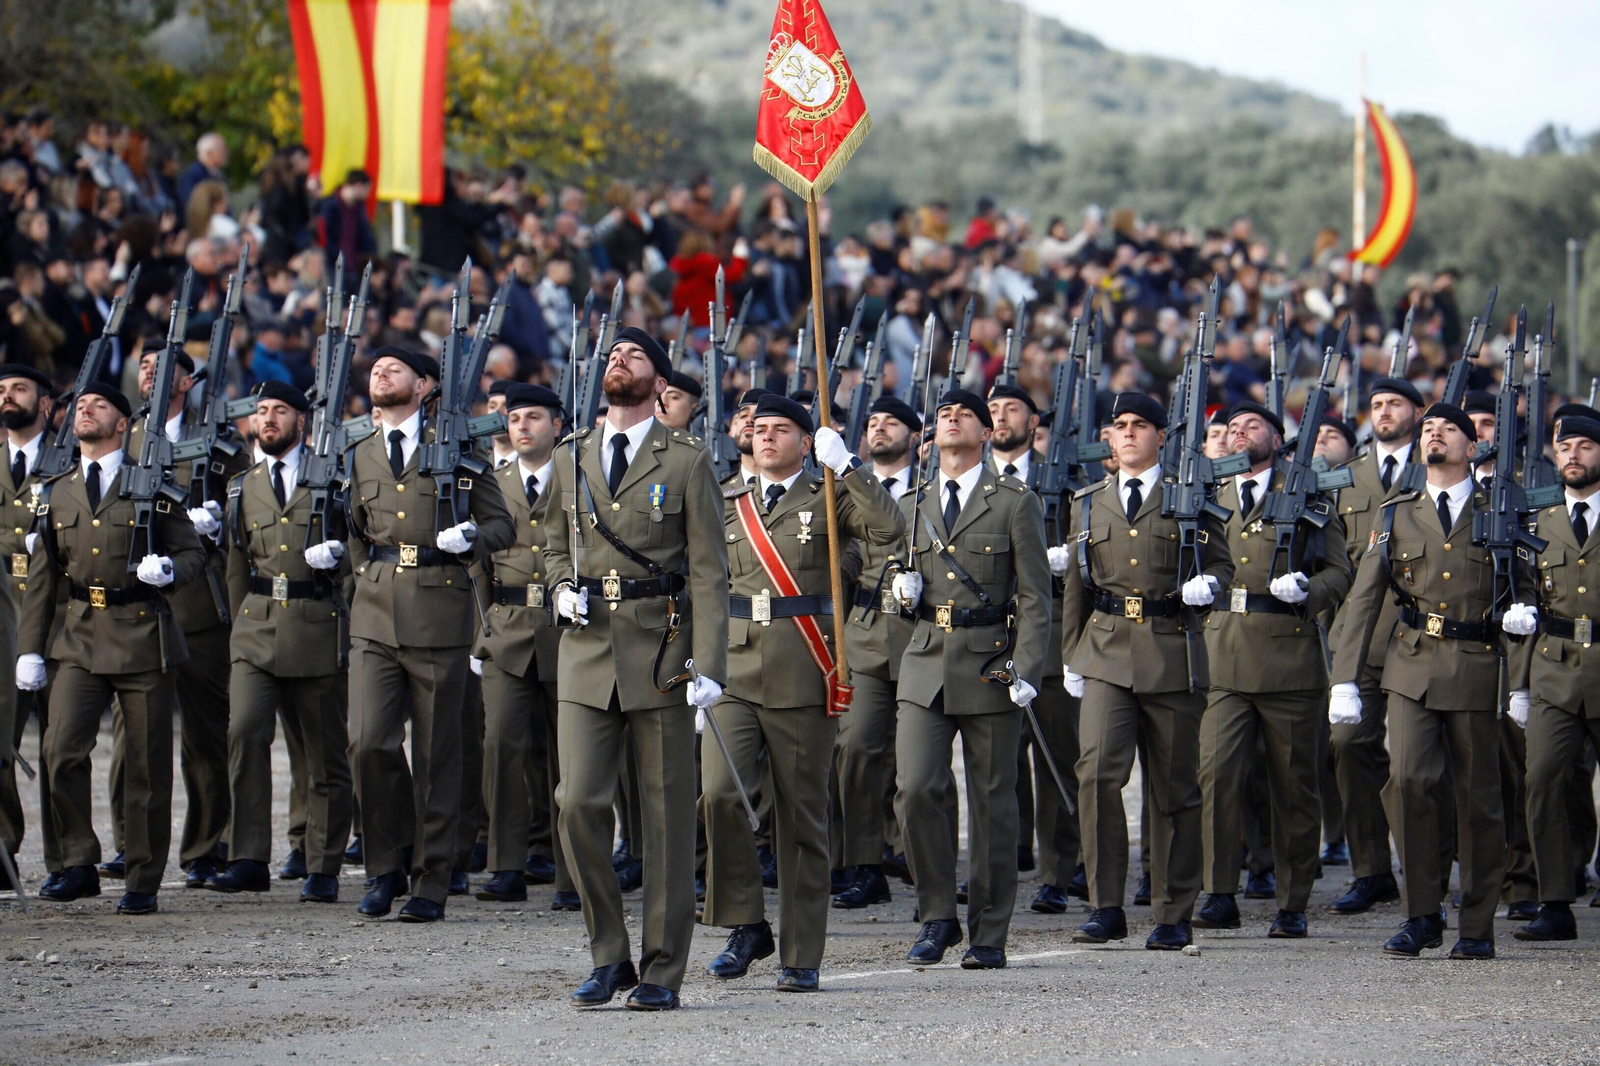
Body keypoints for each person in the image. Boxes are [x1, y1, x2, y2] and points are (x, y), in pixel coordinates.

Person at [542, 326, 729, 1011]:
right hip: (587, 649)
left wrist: (710, 665)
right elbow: (552, 542)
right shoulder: (571, 454)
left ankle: (662, 969)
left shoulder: (686, 459)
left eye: (635, 355)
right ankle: (608, 954)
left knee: (667, 819)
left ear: (659, 383)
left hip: (662, 652)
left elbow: (709, 571)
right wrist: (559, 585)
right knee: (577, 803)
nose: (619, 360)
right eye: (613, 354)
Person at [701, 393, 902, 992]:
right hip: (734, 666)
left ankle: (801, 950)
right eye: (758, 427)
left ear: (806, 441)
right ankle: (745, 923)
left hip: (803, 667)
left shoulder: (829, 493)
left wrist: (849, 466)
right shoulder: (727, 498)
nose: (765, 436)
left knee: (801, 818)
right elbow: (700, 579)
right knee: (719, 795)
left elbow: (889, 529)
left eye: (781, 429)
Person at [1329, 402, 1529, 959]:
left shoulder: (1499, 512)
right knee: (1410, 782)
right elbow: (1365, 597)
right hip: (1412, 666)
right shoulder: (1397, 512)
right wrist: (1345, 679)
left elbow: (1528, 590)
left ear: (1472, 447)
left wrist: (1522, 672)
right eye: (1429, 430)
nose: (1435, 435)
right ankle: (1422, 914)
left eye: (1449, 429)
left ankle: (1477, 926)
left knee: (1478, 800)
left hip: (1478, 667)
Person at [343, 345, 515, 921]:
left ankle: (431, 878)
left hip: (440, 612)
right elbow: (352, 528)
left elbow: (502, 525)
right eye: (376, 368)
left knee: (438, 755)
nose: (381, 373)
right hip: (374, 613)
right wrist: (364, 574)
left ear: (423, 386)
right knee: (368, 742)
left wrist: (471, 538)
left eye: (395, 368)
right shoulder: (361, 451)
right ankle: (384, 866)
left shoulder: (457, 453)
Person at [22, 383, 206, 914]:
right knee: (60, 751)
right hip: (80, 635)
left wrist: (167, 570)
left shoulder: (152, 487)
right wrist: (30, 648)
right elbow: (44, 579)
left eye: (99, 405)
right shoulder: (57, 492)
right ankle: (77, 861)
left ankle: (142, 877)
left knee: (145, 766)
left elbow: (192, 554)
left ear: (123, 424)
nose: (85, 409)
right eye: (81, 405)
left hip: (142, 634)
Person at [1061, 392, 1234, 950]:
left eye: (1140, 424)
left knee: (1175, 788)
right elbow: (1078, 584)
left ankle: (1172, 909)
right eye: (1121, 425)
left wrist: (1210, 585)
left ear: (1161, 436)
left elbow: (1222, 564)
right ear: (1110, 438)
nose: (1129, 432)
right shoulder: (1089, 503)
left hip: (1170, 650)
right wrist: (1070, 655)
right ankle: (1105, 905)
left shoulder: (1190, 498)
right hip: (1106, 650)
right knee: (1096, 775)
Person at [889, 388, 1050, 968]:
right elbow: (894, 578)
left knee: (992, 804)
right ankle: (937, 914)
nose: (951, 418)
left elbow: (1035, 597)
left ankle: (988, 931)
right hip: (926, 662)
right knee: (915, 789)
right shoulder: (913, 503)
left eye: (965, 414)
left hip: (990, 665)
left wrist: (1026, 666)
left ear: (986, 433)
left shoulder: (1014, 502)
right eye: (943, 414)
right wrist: (899, 591)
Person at [1194, 401, 1352, 938]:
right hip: (1222, 655)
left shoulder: (1308, 497)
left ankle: (1292, 902)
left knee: (1293, 787)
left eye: (1252, 426)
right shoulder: (1211, 495)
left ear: (1277, 439)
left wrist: (1310, 589)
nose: (1239, 433)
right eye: (1233, 427)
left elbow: (1340, 571)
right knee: (1216, 778)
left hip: (1289, 658)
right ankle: (1219, 892)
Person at [207, 382, 352, 901]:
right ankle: (248, 857)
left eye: (280, 411)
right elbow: (236, 562)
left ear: (301, 421)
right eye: (261, 411)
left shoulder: (332, 477)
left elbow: (360, 548)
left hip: (317, 625)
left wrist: (340, 560)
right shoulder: (242, 486)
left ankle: (323, 863)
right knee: (244, 731)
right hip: (257, 626)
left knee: (323, 752)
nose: (268, 419)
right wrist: (239, 625)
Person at [123, 346, 252, 889]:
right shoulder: (125, 436)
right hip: (132, 599)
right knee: (131, 737)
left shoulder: (219, 440)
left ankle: (206, 843)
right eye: (144, 366)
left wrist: (220, 519)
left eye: (162, 368)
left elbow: (254, 505)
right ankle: (131, 845)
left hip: (199, 599)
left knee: (204, 732)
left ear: (186, 381)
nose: (149, 374)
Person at [1324, 376, 1433, 914]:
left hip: (1422, 635)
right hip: (1359, 633)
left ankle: (1431, 865)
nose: (1384, 412)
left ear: (1419, 412)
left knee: (1425, 760)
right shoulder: (1345, 477)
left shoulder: (1438, 467)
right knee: (1348, 743)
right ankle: (1371, 869)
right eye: (1376, 405)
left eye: (1394, 403)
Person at [472, 383, 573, 907]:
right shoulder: (492, 482)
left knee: (569, 757)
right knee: (501, 747)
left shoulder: (578, 478)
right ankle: (506, 865)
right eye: (514, 419)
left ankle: (572, 872)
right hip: (507, 629)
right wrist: (481, 630)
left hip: (566, 631)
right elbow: (477, 563)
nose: (522, 427)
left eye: (534, 417)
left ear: (557, 425)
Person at [988, 381, 1083, 909]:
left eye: (1012, 409)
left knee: (1055, 761)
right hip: (988, 640)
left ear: (1033, 422)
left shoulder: (1064, 482)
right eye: (993, 409)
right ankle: (996, 866)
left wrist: (1071, 559)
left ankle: (1058, 873)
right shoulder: (971, 482)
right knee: (994, 765)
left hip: (1048, 638)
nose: (1001, 417)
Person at [1512, 416, 1600, 941]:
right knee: (1542, 778)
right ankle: (1555, 901)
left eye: (1585, 446)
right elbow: (1522, 595)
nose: (1573, 455)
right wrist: (1519, 684)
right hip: (1555, 667)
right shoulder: (1538, 521)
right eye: (1564, 446)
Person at [833, 396, 920, 908]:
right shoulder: (846, 492)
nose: (879, 428)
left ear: (915, 436)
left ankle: (919, 859)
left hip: (918, 635)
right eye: (872, 423)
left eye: (892, 421)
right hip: (865, 632)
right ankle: (865, 865)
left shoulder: (932, 490)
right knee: (857, 747)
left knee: (917, 761)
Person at [0, 365, 52, 889]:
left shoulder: (66, 461)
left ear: (45, 404)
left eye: (19, 389)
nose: (8, 397)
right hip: (2, 613)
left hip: (55, 615)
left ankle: (66, 858)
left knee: (59, 747)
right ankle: (3, 848)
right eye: (2, 390)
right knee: (1, 739)